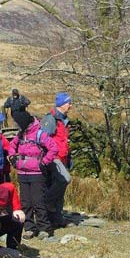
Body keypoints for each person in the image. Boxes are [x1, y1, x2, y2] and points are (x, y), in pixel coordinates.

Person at [9, 111, 59, 239]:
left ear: (24, 123)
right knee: (25, 202)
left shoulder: (39, 134)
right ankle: (29, 228)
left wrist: (44, 162)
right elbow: (11, 146)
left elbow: (54, 148)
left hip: (37, 173)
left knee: (38, 202)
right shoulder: (20, 135)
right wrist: (13, 158)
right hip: (22, 172)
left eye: (18, 124)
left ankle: (44, 228)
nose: (17, 126)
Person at [43, 92, 74, 230]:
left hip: (63, 158)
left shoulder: (64, 120)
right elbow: (44, 139)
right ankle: (47, 202)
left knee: (60, 191)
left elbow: (64, 141)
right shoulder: (51, 119)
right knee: (64, 180)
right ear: (62, 104)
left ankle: (57, 218)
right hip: (54, 159)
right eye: (69, 103)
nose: (71, 106)